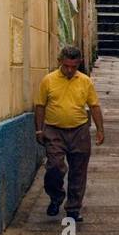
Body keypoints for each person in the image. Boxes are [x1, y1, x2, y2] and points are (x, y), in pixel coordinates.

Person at [34, 46, 105, 221]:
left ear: (79, 64)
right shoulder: (48, 80)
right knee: (55, 167)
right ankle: (56, 197)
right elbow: (40, 106)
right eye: (66, 66)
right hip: (54, 130)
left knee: (78, 171)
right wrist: (39, 129)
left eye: (74, 66)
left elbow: (94, 106)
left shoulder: (85, 81)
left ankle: (73, 208)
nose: (70, 70)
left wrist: (100, 130)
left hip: (79, 130)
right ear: (60, 62)